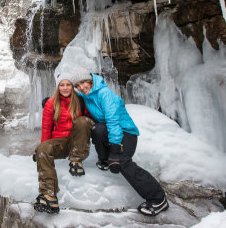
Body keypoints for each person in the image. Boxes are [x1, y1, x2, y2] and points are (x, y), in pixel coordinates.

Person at [71, 70, 168, 216]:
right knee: (96, 129)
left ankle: (158, 198)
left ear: (90, 81)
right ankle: (104, 160)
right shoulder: (86, 95)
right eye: (78, 85)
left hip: (125, 132)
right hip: (109, 130)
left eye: (83, 82)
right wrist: (51, 100)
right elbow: (67, 94)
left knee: (122, 162)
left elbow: (113, 121)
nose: (81, 87)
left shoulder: (104, 94)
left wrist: (115, 151)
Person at [33, 72, 93, 214]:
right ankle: (49, 195)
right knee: (42, 148)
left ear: (72, 87)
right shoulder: (51, 103)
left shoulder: (80, 100)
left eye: (68, 85)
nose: (65, 88)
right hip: (60, 143)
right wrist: (41, 150)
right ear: (58, 87)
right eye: (62, 85)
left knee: (83, 121)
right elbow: (46, 127)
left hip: (77, 142)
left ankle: (76, 160)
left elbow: (89, 121)